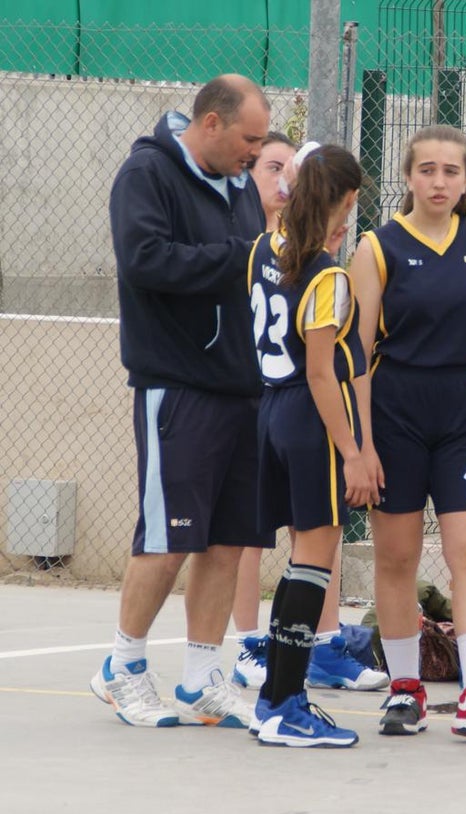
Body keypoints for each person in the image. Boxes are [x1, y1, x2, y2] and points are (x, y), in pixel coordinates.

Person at [90, 74, 272, 728]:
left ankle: (201, 677)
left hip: (241, 389)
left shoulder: (241, 183)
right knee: (166, 538)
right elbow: (145, 261)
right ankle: (122, 665)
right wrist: (236, 258)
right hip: (177, 386)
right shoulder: (147, 174)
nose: (256, 153)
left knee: (226, 540)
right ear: (212, 123)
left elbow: (250, 266)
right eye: (249, 139)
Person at [348, 125, 466, 739]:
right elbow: (356, 354)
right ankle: (405, 689)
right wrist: (361, 446)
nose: (439, 181)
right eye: (427, 170)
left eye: (451, 171)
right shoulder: (378, 247)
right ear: (408, 177)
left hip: (463, 418)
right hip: (396, 416)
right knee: (397, 558)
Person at [231, 134, 387, 695]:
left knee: (301, 556)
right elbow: (323, 373)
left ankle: (281, 684)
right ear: (341, 201)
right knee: (314, 557)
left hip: (270, 408)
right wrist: (352, 452)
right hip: (308, 415)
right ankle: (284, 699)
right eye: (351, 203)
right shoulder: (327, 277)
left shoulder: (262, 248)